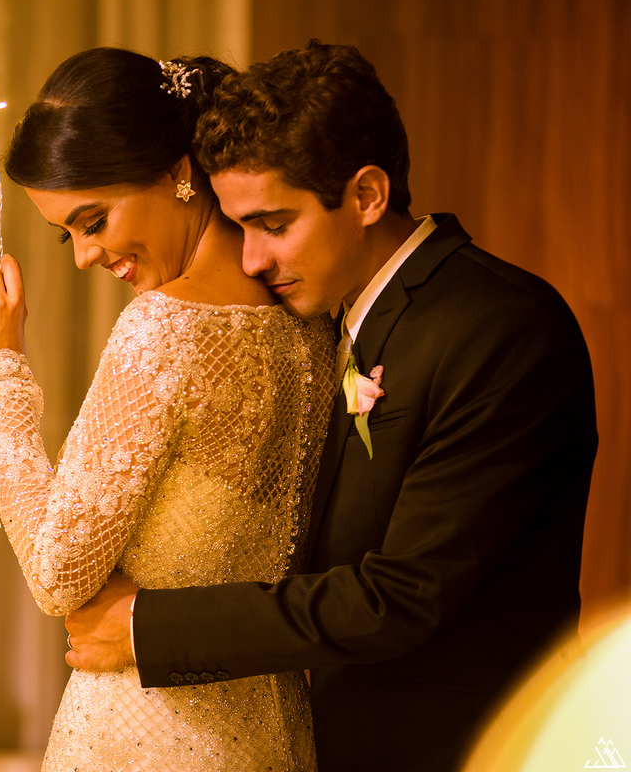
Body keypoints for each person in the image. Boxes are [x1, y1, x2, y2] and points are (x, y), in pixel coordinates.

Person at [64, 40, 598, 772]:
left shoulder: (499, 325)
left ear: (367, 195)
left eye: (273, 224)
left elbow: (399, 596)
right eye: (240, 226)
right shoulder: (334, 322)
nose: (252, 259)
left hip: (473, 747)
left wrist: (145, 627)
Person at [0, 47, 336, 770]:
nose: (83, 256)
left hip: (145, 731)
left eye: (93, 220)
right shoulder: (310, 317)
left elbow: (58, 573)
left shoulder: (165, 329)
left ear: (177, 172)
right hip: (274, 729)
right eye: (67, 233)